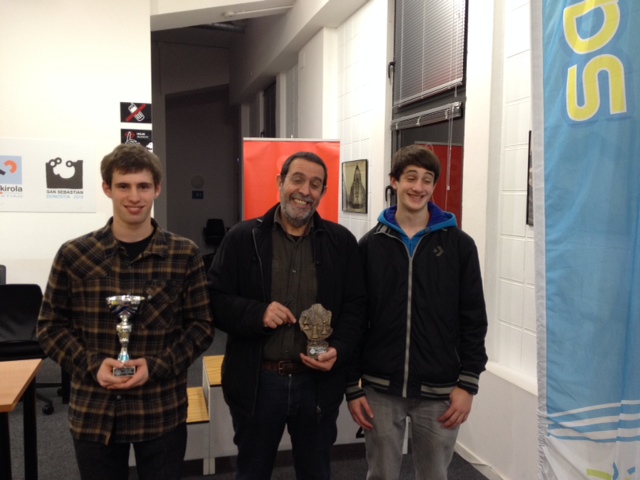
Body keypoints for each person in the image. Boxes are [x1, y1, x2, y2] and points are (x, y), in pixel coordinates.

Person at [37, 143, 214, 480]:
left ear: (157, 189)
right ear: (107, 188)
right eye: (123, 186)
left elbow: (201, 327)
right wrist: (91, 364)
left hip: (160, 408)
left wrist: (156, 366)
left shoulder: (183, 254)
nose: (134, 197)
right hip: (95, 410)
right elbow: (49, 327)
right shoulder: (75, 254)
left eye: (143, 186)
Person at [208, 151, 366, 479]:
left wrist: (339, 348)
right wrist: (257, 313)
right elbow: (214, 300)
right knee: (252, 471)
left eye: (315, 184)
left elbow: (355, 307)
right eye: (297, 179)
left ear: (323, 192)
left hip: (317, 385)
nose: (305, 191)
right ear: (280, 182)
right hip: (258, 383)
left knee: (316, 472)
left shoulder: (341, 243)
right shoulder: (243, 238)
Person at [346, 144, 488, 480]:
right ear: (394, 181)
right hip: (380, 389)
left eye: (427, 179)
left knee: (434, 475)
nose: (418, 187)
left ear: (434, 186)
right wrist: (353, 386)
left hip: (440, 391)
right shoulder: (370, 246)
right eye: (411, 177)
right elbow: (355, 319)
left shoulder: (459, 246)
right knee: (380, 475)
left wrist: (468, 384)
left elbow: (473, 319)